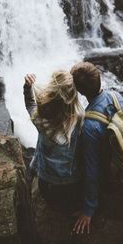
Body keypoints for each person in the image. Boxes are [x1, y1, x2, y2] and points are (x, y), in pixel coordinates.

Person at [71, 61, 123, 235]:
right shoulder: (116, 96)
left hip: (111, 176)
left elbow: (91, 170)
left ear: (79, 91)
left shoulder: (89, 125)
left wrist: (88, 210)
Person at [23, 71, 84, 212]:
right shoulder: (80, 121)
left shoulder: (41, 121)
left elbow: (30, 105)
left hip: (47, 186)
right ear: (73, 97)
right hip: (72, 186)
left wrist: (27, 88)